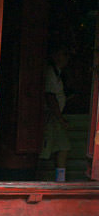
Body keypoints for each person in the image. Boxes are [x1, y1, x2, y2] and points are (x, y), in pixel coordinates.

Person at [41, 45, 71, 182]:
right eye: (63, 54)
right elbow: (50, 97)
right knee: (59, 147)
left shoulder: (57, 73)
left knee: (59, 147)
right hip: (52, 116)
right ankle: (59, 180)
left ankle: (60, 179)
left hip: (55, 116)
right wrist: (60, 119)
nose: (66, 58)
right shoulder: (50, 72)